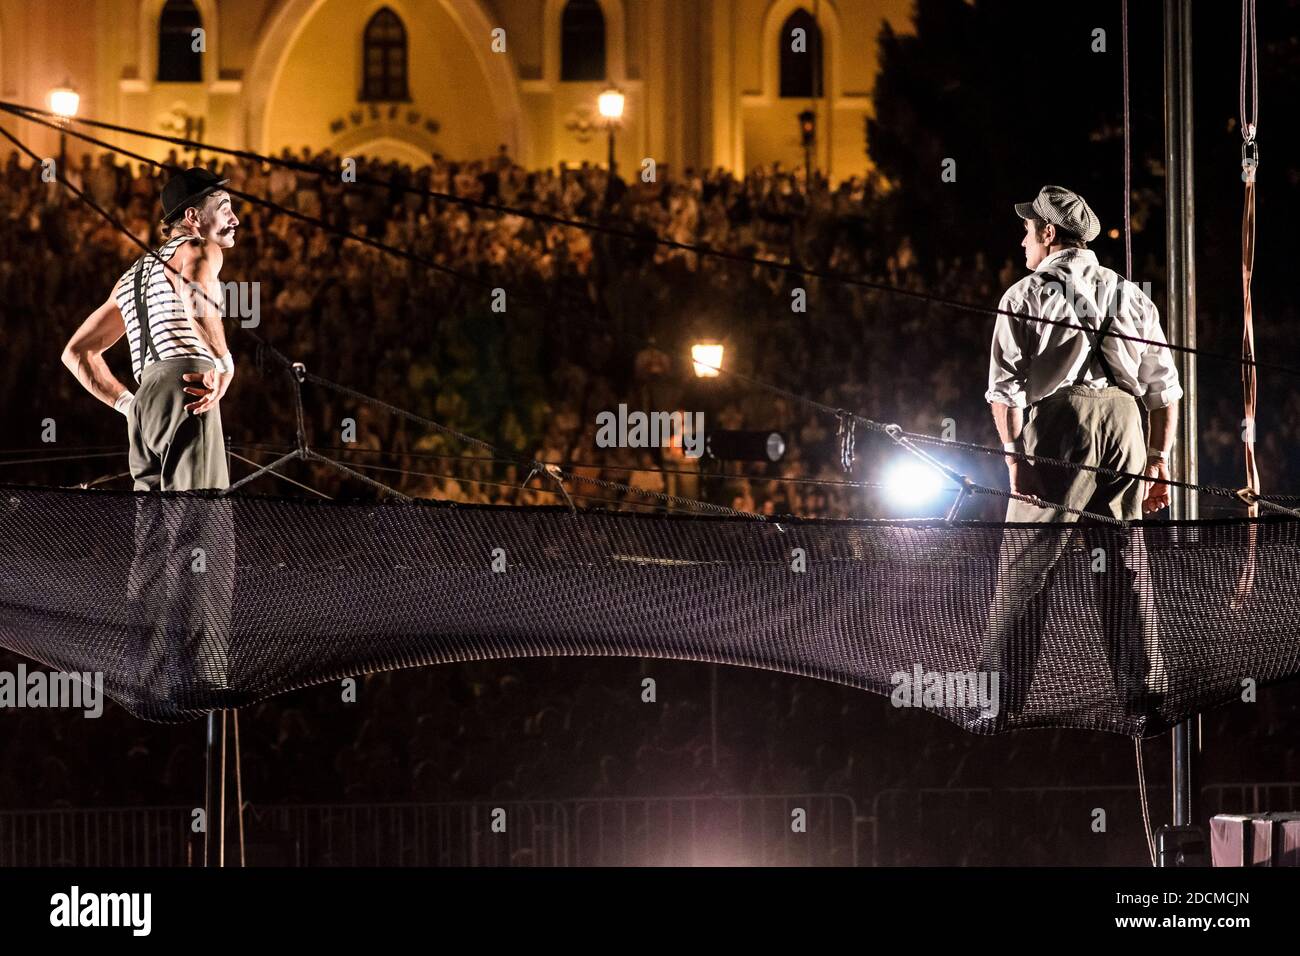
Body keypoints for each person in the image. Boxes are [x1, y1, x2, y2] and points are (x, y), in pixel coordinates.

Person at [978, 185, 1182, 727]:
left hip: (1061, 426)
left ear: (1048, 233)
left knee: (1027, 559)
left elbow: (1007, 391)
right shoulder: (1132, 296)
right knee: (1124, 562)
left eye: (1028, 230)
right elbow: (1165, 391)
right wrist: (1158, 461)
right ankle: (1144, 691)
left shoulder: (1023, 294)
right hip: (1126, 425)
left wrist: (1016, 462)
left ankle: (998, 698)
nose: (1023, 240)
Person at [60, 167, 240, 713]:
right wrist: (222, 361)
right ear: (192, 217)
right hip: (186, 382)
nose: (234, 217)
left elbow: (77, 354)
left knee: (155, 541)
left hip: (145, 406)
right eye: (224, 205)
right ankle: (203, 672)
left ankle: (150, 669)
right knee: (205, 524)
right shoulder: (200, 249)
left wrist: (127, 404)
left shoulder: (132, 275)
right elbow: (199, 297)